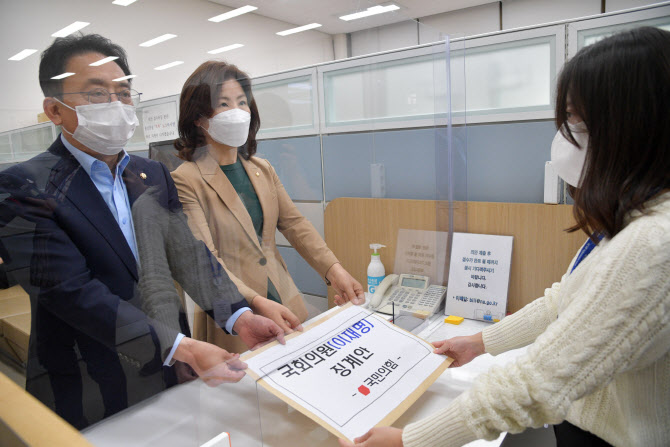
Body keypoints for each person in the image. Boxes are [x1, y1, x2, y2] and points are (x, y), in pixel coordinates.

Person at [340, 26, 670, 447]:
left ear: (631, 126)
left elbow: (540, 382)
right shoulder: (635, 222)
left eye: (576, 121)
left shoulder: (653, 243)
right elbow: (564, 302)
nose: (565, 138)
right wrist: (479, 341)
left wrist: (411, 440)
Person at [0, 34, 285, 429]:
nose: (115, 105)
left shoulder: (150, 173)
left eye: (123, 92)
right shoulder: (23, 185)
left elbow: (187, 254)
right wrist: (178, 347)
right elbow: (70, 292)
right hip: (87, 378)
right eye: (96, 94)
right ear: (55, 110)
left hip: (171, 367)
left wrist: (237, 315)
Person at [171, 61, 365, 352]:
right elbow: (206, 260)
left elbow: (296, 225)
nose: (237, 111)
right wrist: (254, 303)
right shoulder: (186, 180)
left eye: (242, 102)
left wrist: (334, 270)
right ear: (199, 118)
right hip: (235, 312)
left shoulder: (262, 168)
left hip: (284, 297)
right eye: (224, 104)